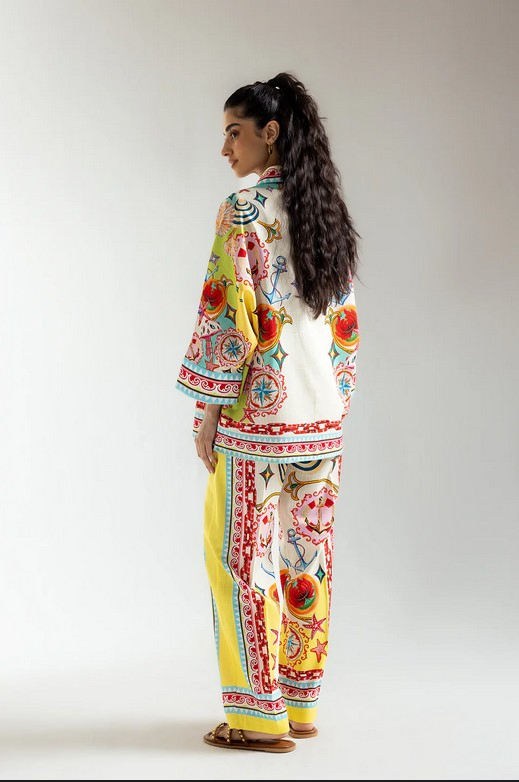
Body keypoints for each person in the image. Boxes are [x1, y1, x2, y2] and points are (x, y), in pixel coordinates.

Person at [175, 71, 361, 753]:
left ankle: (258, 718)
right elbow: (344, 327)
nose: (225, 148)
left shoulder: (243, 211)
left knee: (238, 562)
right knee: (307, 560)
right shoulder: (324, 211)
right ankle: (300, 704)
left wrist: (209, 411)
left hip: (258, 423)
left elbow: (229, 317)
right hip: (321, 419)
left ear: (270, 133)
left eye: (234, 132)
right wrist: (333, 403)